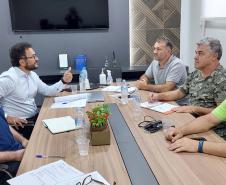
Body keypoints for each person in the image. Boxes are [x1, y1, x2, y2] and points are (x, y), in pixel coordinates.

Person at [0, 42, 73, 138]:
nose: (37, 59)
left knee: (66, 130)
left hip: (34, 119)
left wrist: (63, 81)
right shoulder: (8, 79)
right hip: (19, 127)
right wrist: (6, 117)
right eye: (33, 57)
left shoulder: (32, 75)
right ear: (22, 62)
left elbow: (48, 91)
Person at [149, 37, 226, 116]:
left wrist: (194, 109)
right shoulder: (195, 74)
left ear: (214, 56)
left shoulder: (222, 79)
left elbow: (222, 113)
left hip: (211, 127)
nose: (195, 57)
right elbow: (179, 93)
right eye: (196, 53)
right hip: (190, 118)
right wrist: (158, 96)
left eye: (200, 53)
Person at [0, 106, 28, 179]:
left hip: (18, 150)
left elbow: (6, 125)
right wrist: (16, 155)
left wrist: (23, 140)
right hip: (7, 164)